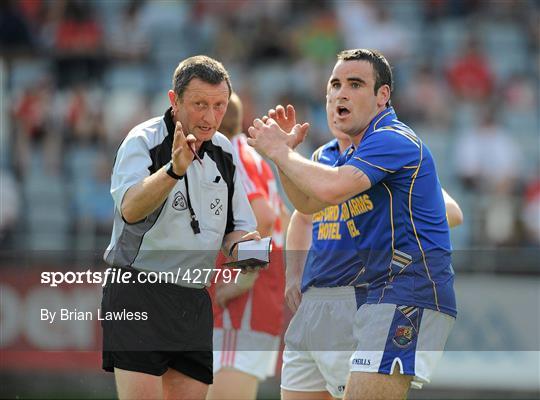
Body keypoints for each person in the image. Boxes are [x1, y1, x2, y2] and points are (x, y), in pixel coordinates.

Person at [248, 49, 458, 400]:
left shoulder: (394, 139)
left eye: (355, 84)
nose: (340, 93)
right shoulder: (334, 155)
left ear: (382, 96)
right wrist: (283, 158)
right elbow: (307, 204)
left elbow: (329, 190)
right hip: (355, 296)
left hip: (404, 291)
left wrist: (281, 153)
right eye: (335, 84)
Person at [102, 55, 259, 400]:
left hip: (193, 299)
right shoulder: (143, 140)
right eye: (200, 104)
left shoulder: (224, 151)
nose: (210, 117)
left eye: (219, 106)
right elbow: (130, 209)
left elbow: (235, 231)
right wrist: (173, 170)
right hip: (137, 288)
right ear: (174, 101)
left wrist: (250, 252)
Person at [207, 93, 288, 400]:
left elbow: (264, 218)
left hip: (241, 311)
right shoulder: (249, 155)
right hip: (253, 307)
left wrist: (245, 278)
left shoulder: (232, 156)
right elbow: (282, 217)